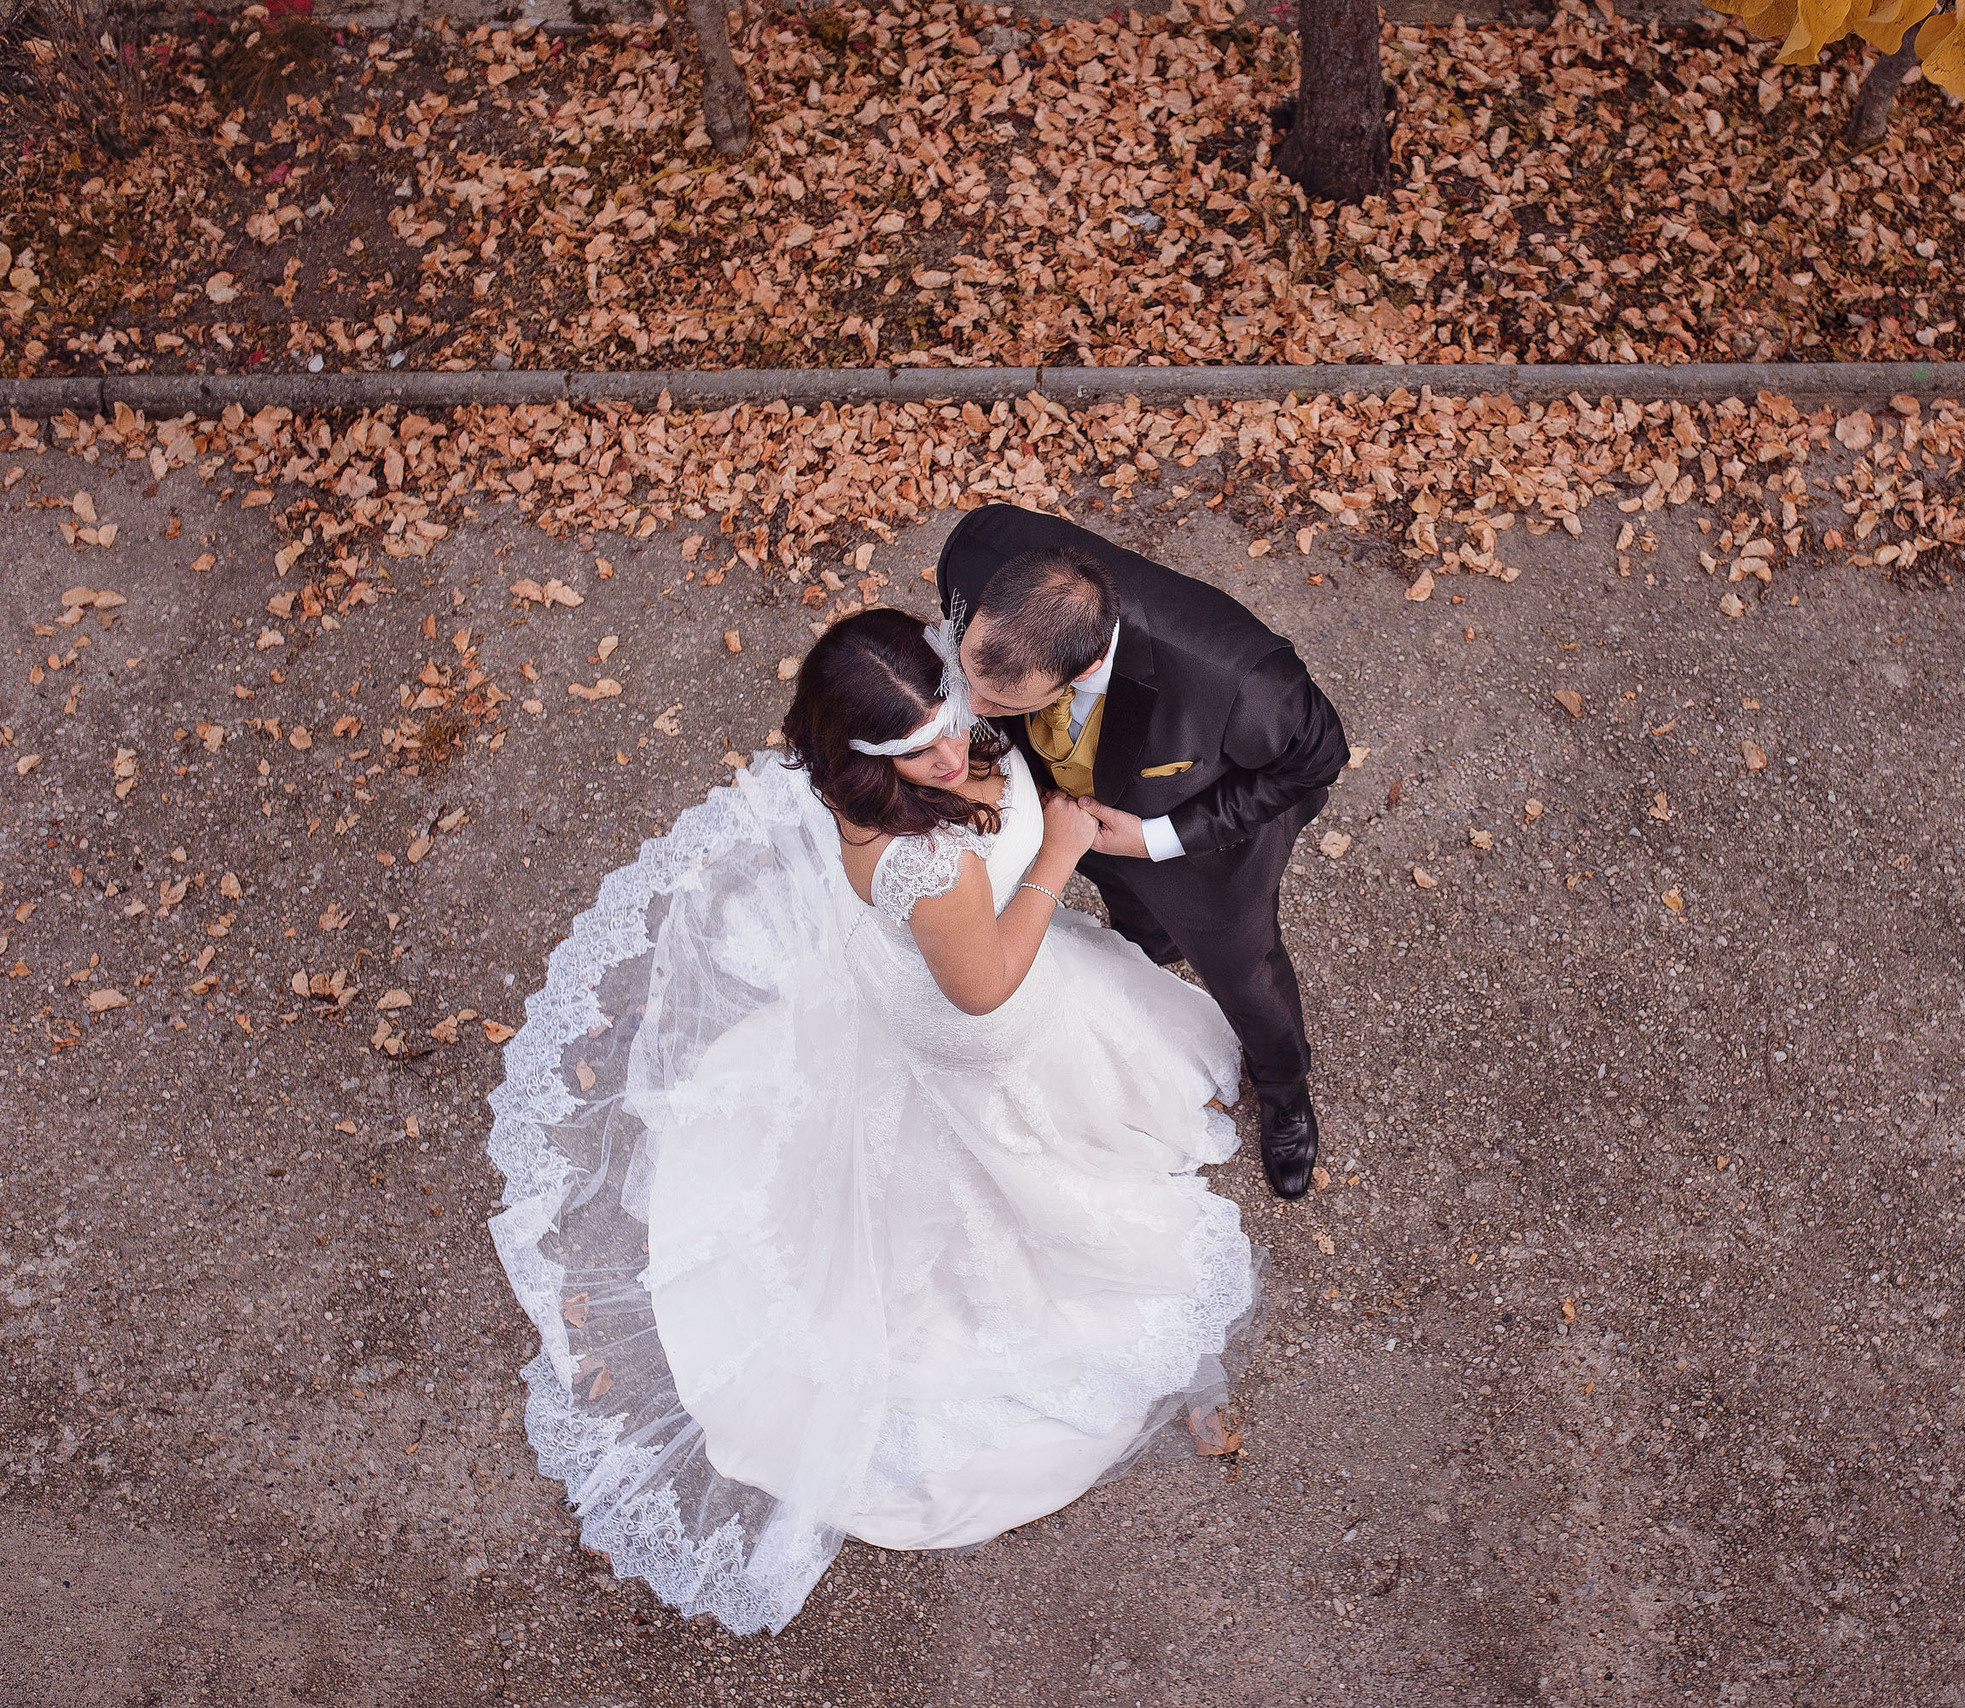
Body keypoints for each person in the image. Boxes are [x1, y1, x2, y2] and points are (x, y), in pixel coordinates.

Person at [483, 608, 1261, 1635]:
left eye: (944, 715)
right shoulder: (920, 859)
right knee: (982, 1197)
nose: (949, 752)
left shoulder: (965, 710)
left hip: (979, 980)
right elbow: (982, 986)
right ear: (862, 757)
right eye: (911, 748)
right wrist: (1058, 849)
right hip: (972, 1024)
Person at [934, 503, 1350, 1199]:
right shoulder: (974, 551)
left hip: (1195, 858)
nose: (969, 706)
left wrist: (1160, 839)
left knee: (1245, 975)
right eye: (968, 676)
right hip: (1058, 817)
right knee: (1132, 933)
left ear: (1091, 662)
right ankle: (1145, 952)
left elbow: (1317, 759)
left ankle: (1283, 1084)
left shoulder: (1240, 682)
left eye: (1001, 701)